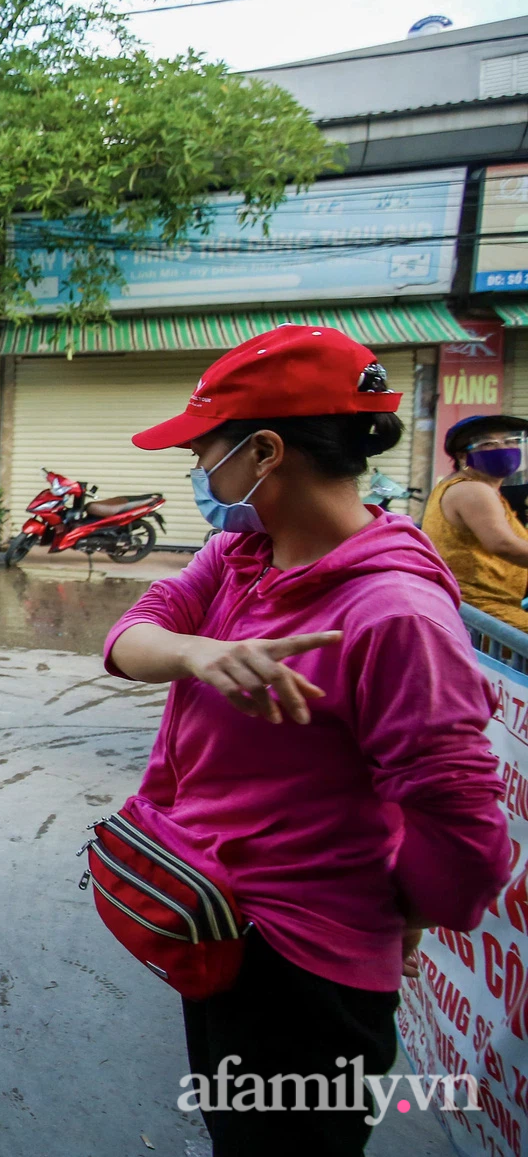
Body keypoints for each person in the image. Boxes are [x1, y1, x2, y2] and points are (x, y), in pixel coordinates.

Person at [100, 326, 508, 1155]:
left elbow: (465, 833)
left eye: (203, 449)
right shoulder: (241, 553)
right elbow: (128, 639)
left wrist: (404, 914)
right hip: (214, 919)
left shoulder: (394, 613)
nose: (196, 472)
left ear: (264, 452)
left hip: (304, 969)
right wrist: (197, 651)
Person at [421, 413, 528, 629]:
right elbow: (502, 544)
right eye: (489, 443)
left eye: (510, 441)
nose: (503, 448)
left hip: (490, 609)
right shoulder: (473, 489)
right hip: (482, 611)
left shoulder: (481, 489)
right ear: (462, 457)